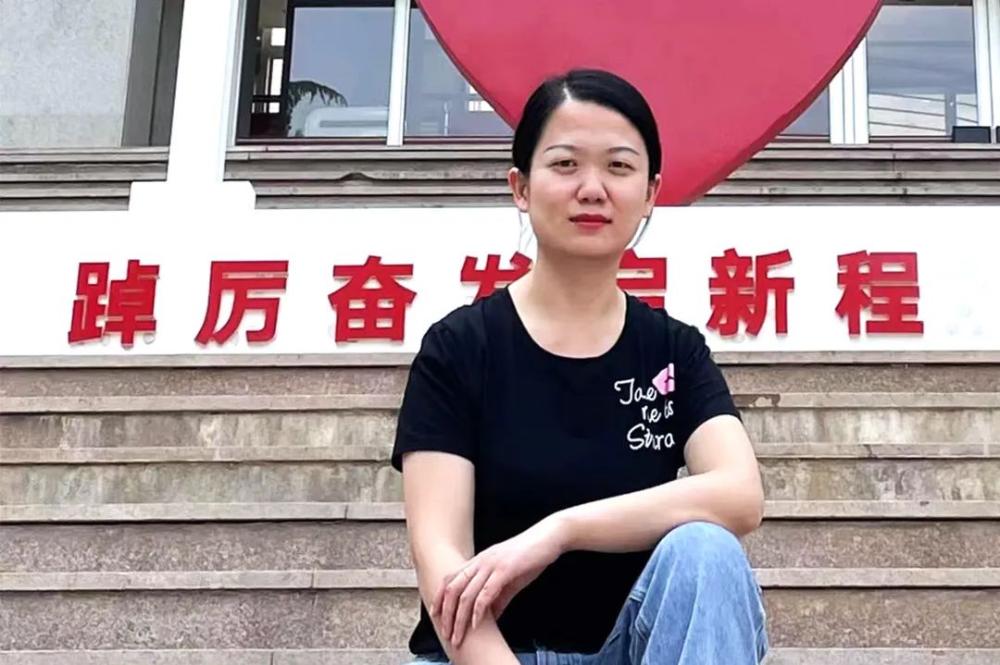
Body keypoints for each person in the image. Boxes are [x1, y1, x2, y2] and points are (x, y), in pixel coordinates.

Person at [391, 68, 769, 665]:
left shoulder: (672, 350)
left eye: (618, 167)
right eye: (565, 164)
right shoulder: (460, 348)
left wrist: (559, 532)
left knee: (707, 553)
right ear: (520, 186)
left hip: (632, 652)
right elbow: (443, 564)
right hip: (482, 657)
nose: (592, 189)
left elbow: (740, 495)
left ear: (650, 193)